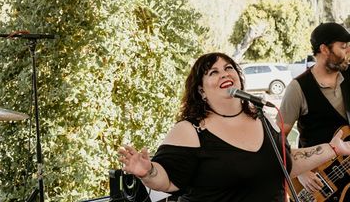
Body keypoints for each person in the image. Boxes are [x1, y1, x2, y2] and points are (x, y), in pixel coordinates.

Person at [118, 52, 350, 201]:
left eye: (229, 68)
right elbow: (168, 181)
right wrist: (147, 172)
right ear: (201, 90)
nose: (224, 73)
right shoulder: (190, 130)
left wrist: (333, 149)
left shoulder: (260, 118)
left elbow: (284, 161)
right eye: (213, 72)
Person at [277, 22, 350, 194]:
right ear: (325, 49)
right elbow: (277, 139)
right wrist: (300, 170)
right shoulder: (298, 88)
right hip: (321, 185)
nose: (348, 51)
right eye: (343, 47)